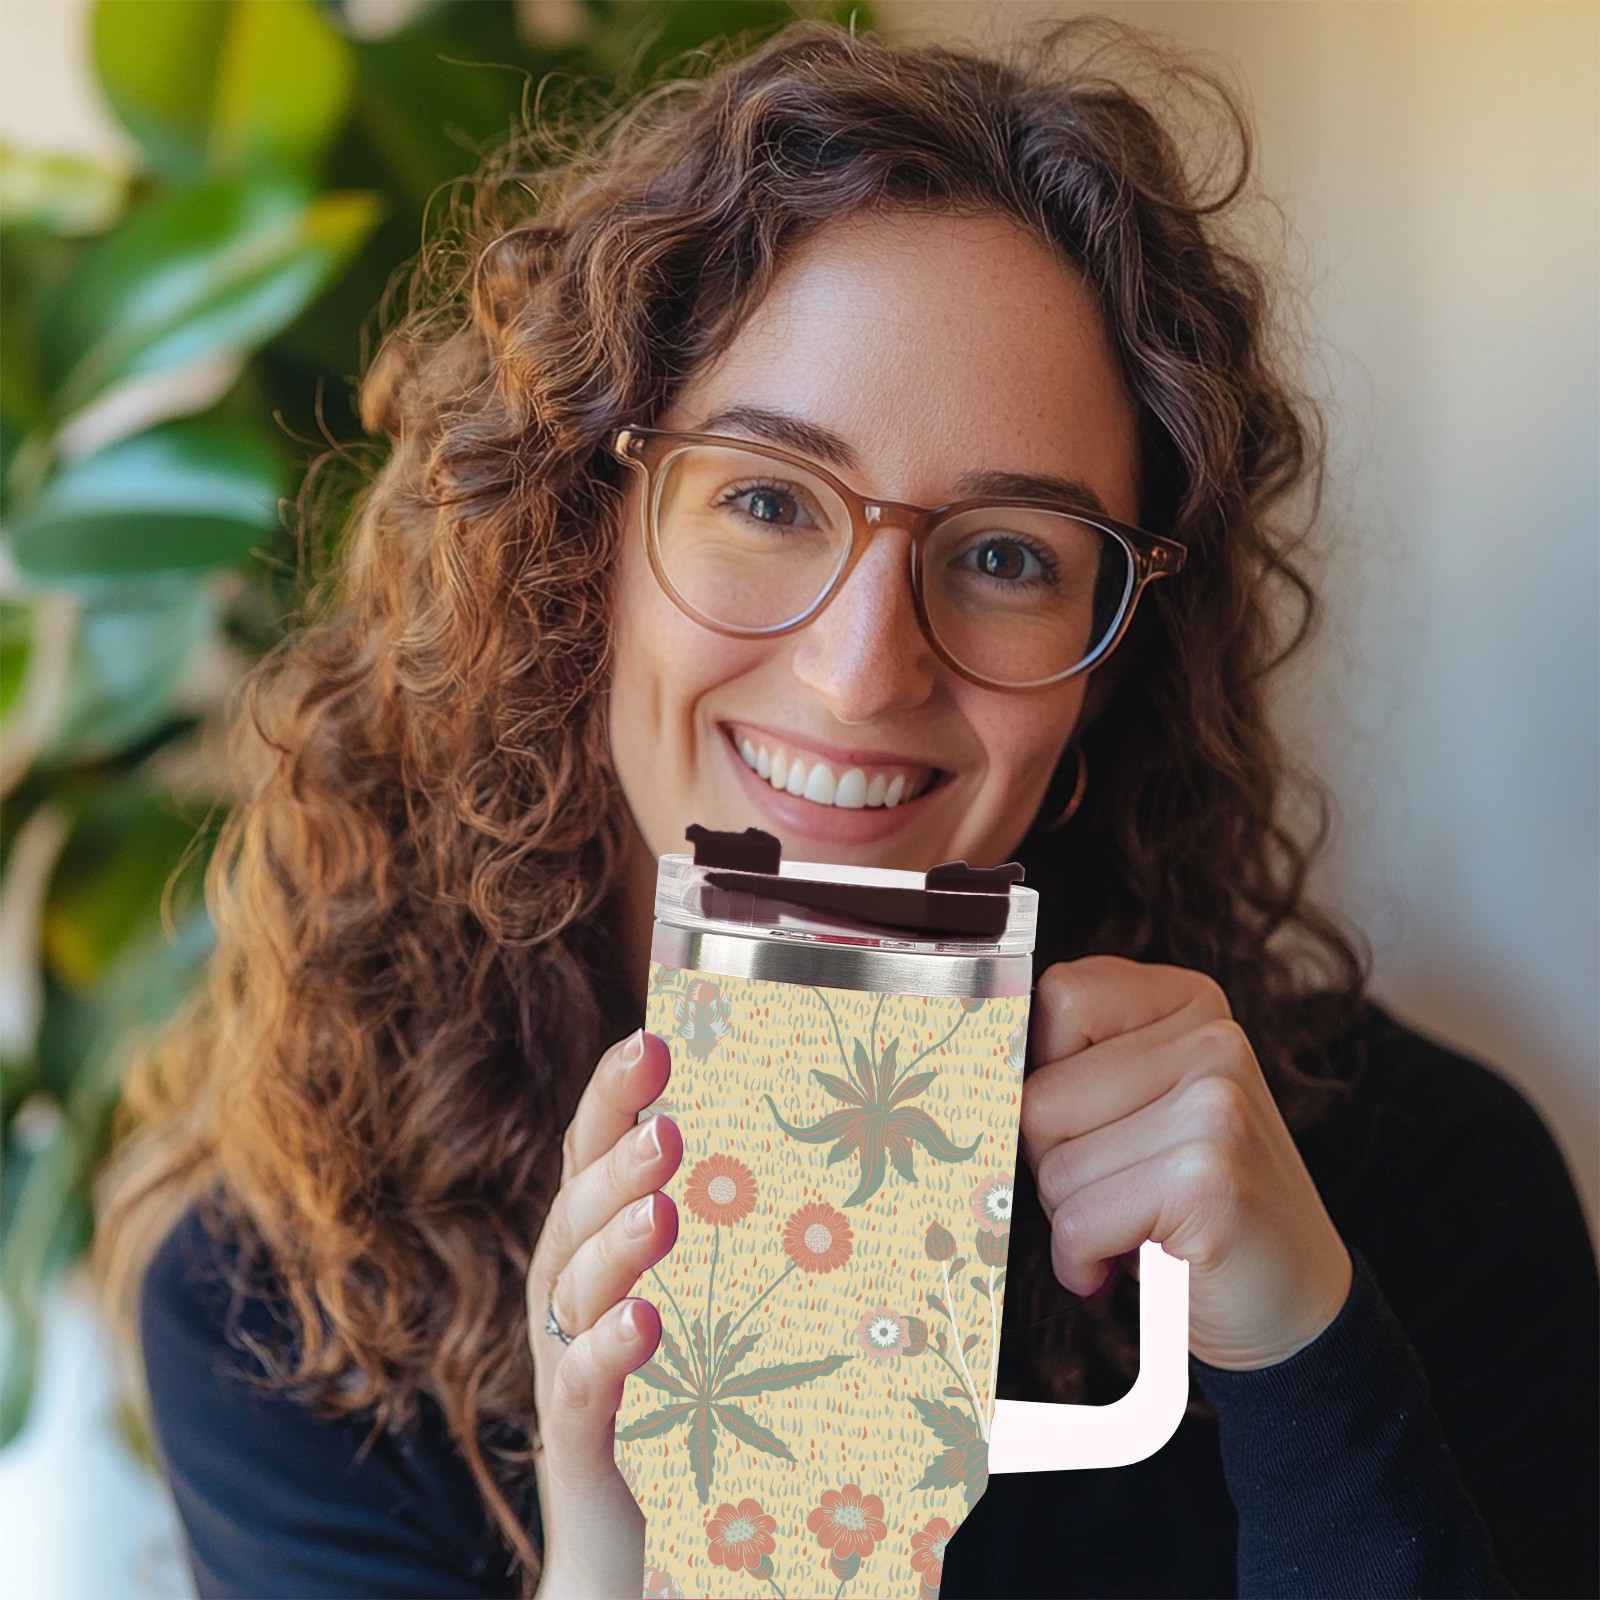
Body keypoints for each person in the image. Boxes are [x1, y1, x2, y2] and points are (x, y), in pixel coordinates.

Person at [94, 16, 1597, 1600]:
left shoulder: (1420, 1192)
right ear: (581, 546)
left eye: (1007, 554)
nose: (864, 671)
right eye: (765, 499)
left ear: (1113, 663)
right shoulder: (291, 1301)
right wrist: (618, 1562)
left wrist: (1306, 1368)